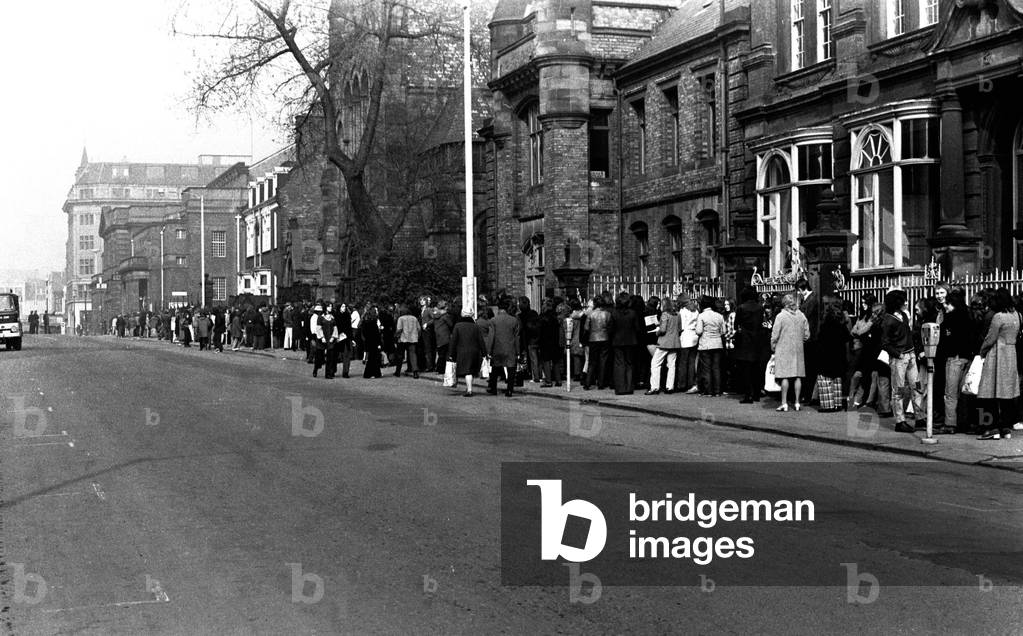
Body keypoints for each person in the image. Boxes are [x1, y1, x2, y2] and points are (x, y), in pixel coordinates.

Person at [976, 288, 1020, 440]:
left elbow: (990, 338)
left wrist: (981, 352)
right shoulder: (1017, 315)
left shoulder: (998, 317)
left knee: (988, 393)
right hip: (1011, 354)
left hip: (997, 355)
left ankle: (990, 427)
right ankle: (1005, 427)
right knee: (1007, 394)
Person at [880, 289, 924, 433]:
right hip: (899, 359)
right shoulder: (888, 320)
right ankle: (900, 421)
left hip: (910, 356)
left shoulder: (904, 315)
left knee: (916, 386)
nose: (905, 302)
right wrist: (897, 354)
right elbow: (885, 343)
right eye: (903, 300)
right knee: (898, 390)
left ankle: (920, 417)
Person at [937, 288, 972, 434]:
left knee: (950, 393)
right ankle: (963, 422)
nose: (946, 306)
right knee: (963, 393)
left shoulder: (950, 318)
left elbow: (944, 340)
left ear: (953, 304)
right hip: (966, 357)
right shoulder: (969, 314)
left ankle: (950, 423)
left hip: (954, 358)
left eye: (948, 304)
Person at [770, 293, 810, 412]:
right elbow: (807, 335)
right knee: (798, 376)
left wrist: (773, 345)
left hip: (783, 348)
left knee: (784, 376)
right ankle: (797, 402)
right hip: (798, 349)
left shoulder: (780, 316)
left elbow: (775, 335)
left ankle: (784, 403)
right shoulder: (801, 316)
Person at [815, 300, 851, 412]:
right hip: (839, 356)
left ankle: (828, 405)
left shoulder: (825, 325)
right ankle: (837, 403)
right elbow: (847, 338)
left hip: (826, 356)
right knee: (837, 379)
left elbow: (820, 340)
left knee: (824, 379)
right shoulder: (841, 325)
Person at [733, 287, 767, 403]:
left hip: (745, 342)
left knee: (746, 370)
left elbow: (735, 325)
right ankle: (757, 393)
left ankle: (748, 395)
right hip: (758, 341)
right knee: (757, 369)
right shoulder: (760, 308)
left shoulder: (741, 308)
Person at [646, 297, 681, 395]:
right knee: (671, 365)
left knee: (655, 364)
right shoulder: (678, 315)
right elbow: (679, 329)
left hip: (664, 343)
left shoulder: (664, 315)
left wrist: (657, 332)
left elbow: (663, 330)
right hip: (675, 342)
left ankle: (655, 387)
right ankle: (670, 387)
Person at [449, 308, 486, 396]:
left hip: (462, 351)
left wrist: (451, 354)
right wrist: (484, 353)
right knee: (471, 371)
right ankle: (469, 387)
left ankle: (469, 390)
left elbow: (453, 341)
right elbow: (481, 341)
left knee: (467, 371)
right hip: (474, 351)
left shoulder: (458, 326)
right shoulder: (475, 326)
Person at [610, 292, 642, 395]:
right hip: (631, 340)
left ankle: (620, 387)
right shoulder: (632, 313)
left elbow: (610, 329)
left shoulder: (614, 313)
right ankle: (629, 387)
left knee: (619, 364)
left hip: (617, 340)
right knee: (629, 364)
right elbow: (637, 328)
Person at [487, 299, 521, 397]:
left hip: (497, 348)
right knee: (511, 370)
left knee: (495, 369)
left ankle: (493, 389)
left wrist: (489, 350)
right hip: (510, 349)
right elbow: (516, 337)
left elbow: (491, 337)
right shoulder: (514, 320)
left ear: (498, 308)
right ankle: (509, 390)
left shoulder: (493, 320)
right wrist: (518, 351)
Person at [695, 296, 726, 397]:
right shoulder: (719, 316)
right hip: (717, 343)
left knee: (706, 368)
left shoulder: (701, 316)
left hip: (705, 344)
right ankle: (717, 390)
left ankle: (708, 390)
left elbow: (699, 331)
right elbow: (723, 331)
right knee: (716, 368)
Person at [582, 296, 612, 390]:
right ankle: (601, 383)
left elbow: (586, 328)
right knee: (603, 361)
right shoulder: (607, 314)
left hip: (593, 339)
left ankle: (587, 383)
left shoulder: (591, 314)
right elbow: (610, 327)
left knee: (592, 362)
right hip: (605, 338)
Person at [677, 295, 699, 393]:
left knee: (683, 362)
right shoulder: (696, 310)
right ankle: (691, 383)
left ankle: (682, 383)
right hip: (694, 336)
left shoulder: (683, 311)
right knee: (691, 362)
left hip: (685, 336)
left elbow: (681, 326)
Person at [538, 299, 561, 387]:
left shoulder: (543, 317)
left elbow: (540, 330)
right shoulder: (556, 317)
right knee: (556, 361)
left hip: (545, 341)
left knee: (546, 361)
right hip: (555, 340)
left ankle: (548, 380)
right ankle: (558, 380)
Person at [394, 304, 421, 378]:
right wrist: (417, 336)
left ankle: (398, 371)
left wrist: (396, 336)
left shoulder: (401, 318)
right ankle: (415, 372)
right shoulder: (414, 318)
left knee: (400, 355)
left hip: (403, 339)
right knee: (413, 355)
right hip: (413, 339)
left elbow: (399, 329)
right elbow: (419, 329)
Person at [361, 307, 383, 378]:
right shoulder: (373, 322)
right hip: (374, 342)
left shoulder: (366, 321)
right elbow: (376, 334)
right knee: (374, 358)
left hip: (368, 341)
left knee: (371, 358)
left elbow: (364, 332)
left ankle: (371, 373)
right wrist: (379, 343)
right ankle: (372, 373)